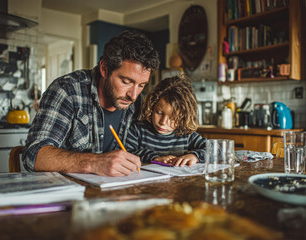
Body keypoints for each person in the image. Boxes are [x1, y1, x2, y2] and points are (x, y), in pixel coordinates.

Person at [22, 30, 160, 176]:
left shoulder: (138, 102)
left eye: (141, 85)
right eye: (126, 82)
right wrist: (95, 162)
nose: (133, 95)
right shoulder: (67, 90)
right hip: (70, 193)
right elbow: (34, 156)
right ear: (104, 68)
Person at [126, 76, 206, 167]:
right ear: (152, 106)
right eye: (159, 113)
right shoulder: (137, 130)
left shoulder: (186, 134)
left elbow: (215, 149)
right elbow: (127, 153)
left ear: (184, 117)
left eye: (173, 118)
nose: (163, 122)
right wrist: (154, 158)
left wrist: (195, 156)